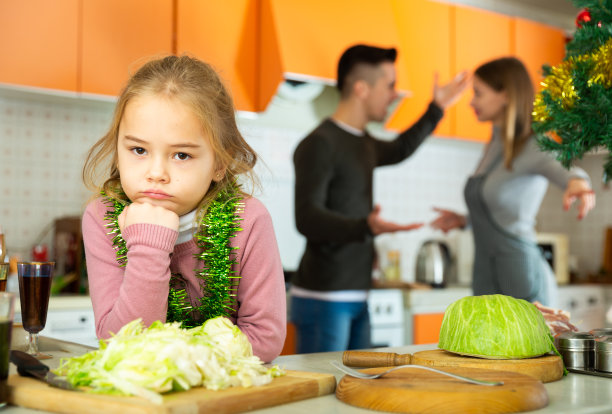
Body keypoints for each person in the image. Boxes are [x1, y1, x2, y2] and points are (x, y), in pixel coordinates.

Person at [81, 55, 286, 363]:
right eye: (138, 150)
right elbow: (120, 345)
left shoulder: (248, 219)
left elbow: (265, 338)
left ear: (219, 163)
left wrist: (178, 357)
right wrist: (149, 246)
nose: (156, 173)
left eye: (181, 155)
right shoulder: (101, 218)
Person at [290, 44, 469, 353]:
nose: (394, 94)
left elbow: (400, 148)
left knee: (360, 387)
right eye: (389, 86)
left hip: (358, 294)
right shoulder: (319, 144)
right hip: (325, 298)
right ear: (361, 88)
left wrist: (437, 108)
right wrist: (366, 226)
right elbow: (307, 218)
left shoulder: (364, 144)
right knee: (327, 389)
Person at [431, 57, 596, 307]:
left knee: (531, 347)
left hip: (520, 278)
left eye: (478, 93)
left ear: (505, 95)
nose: (471, 102)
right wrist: (464, 220)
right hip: (486, 276)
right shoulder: (493, 145)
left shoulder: (533, 144)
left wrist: (579, 184)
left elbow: (568, 172)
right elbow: (500, 208)